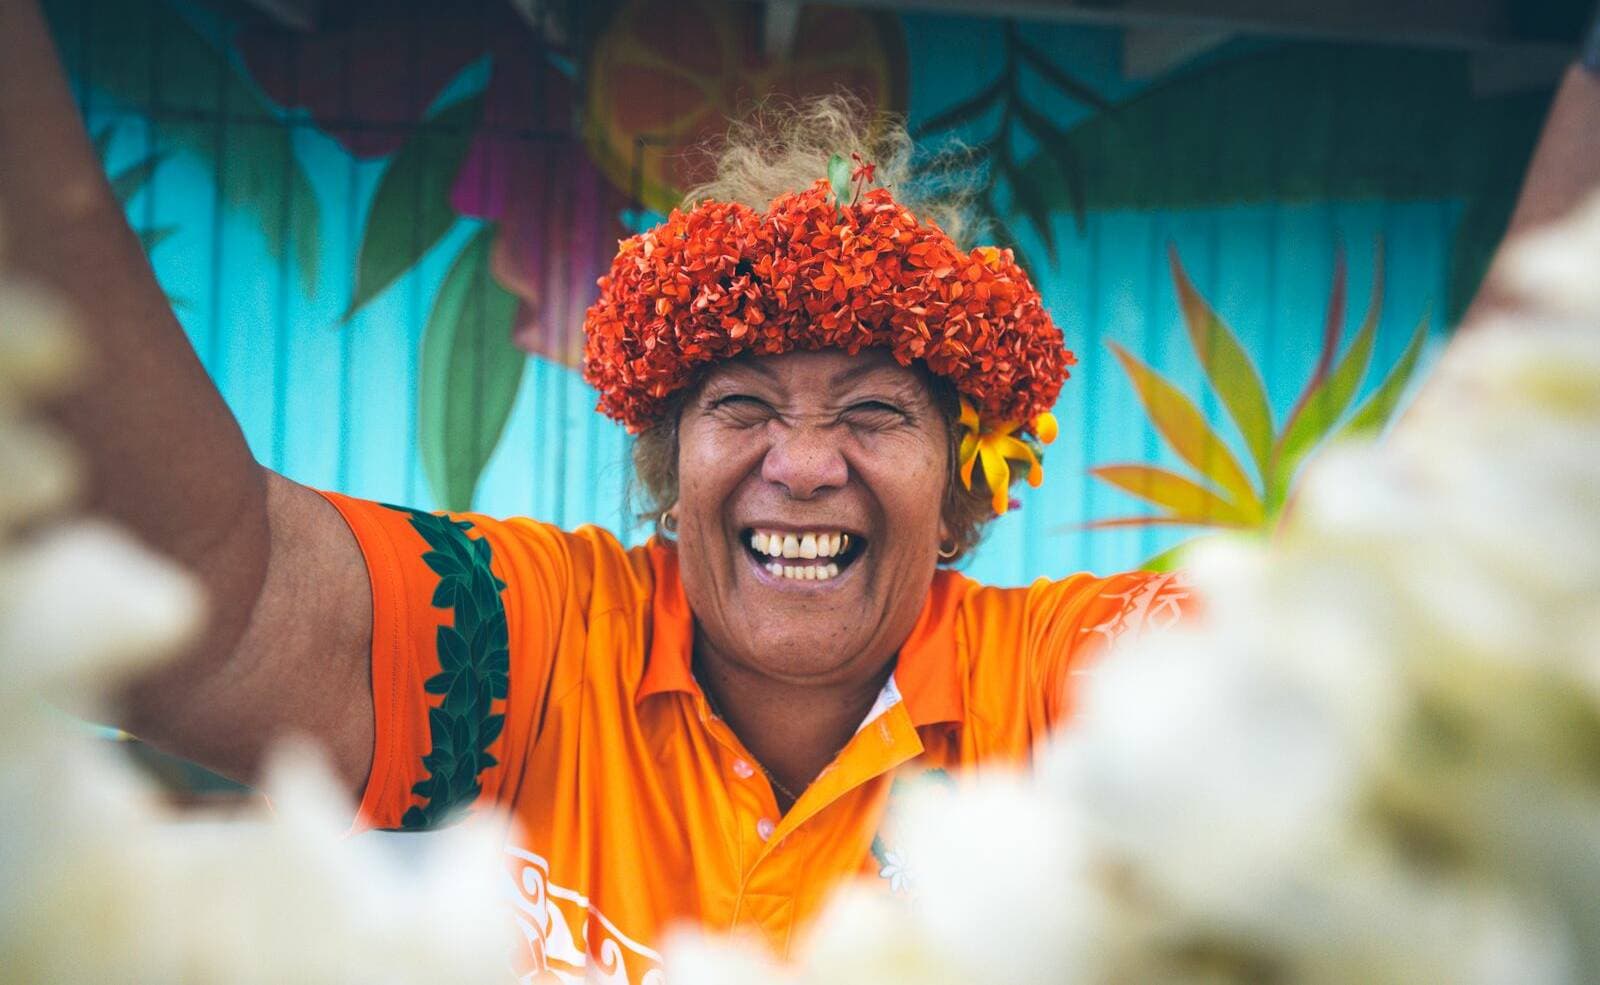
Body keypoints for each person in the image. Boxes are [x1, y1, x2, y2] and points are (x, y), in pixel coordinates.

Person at [3, 0, 1598, 979]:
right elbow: (205, 602)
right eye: (742, 400)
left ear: (966, 490)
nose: (803, 459)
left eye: (880, 411)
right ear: (667, 465)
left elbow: (1397, 661)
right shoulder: (532, 642)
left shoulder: (1062, 689)